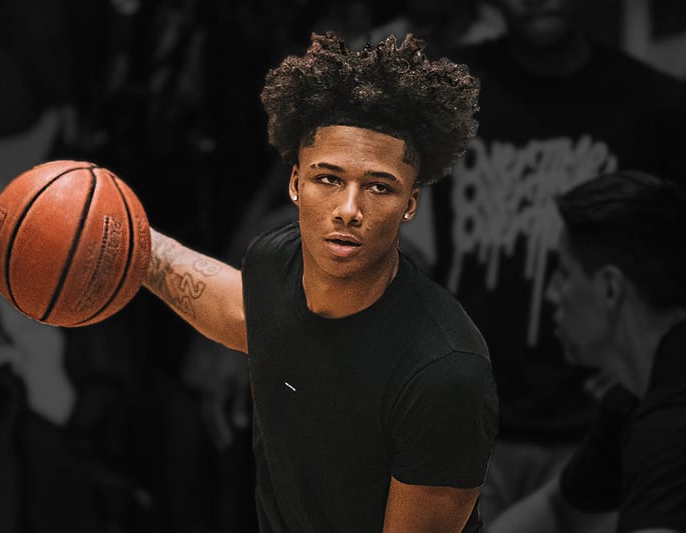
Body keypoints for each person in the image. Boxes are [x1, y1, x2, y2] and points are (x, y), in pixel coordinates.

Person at [142, 32, 499, 532]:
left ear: (410, 203)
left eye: (379, 187)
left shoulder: (444, 373)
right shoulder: (274, 262)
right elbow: (242, 311)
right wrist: (129, 239)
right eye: (328, 179)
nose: (349, 209)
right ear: (295, 184)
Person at [412, 0, 686, 522]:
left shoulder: (649, 101)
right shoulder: (448, 89)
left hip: (597, 432)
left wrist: (664, 345)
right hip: (470, 420)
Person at [487, 170, 686, 532]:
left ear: (609, 289)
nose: (552, 294)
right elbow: (558, 509)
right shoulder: (634, 397)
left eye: (565, 274)